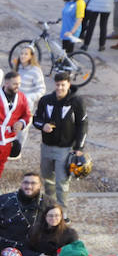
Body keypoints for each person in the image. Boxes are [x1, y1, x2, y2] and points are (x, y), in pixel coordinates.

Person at [33, 72, 87, 207]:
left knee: (62, 182)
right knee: (47, 179)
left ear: (68, 84)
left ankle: (62, 212)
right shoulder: (45, 100)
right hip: (46, 147)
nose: (60, 88)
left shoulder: (77, 101)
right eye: (57, 85)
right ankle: (49, 208)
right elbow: (36, 119)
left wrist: (79, 147)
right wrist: (43, 125)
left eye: (63, 85)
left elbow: (83, 124)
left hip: (65, 149)